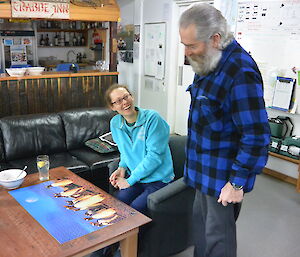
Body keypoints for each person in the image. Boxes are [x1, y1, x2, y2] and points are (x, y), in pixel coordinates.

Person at [179, 4, 270, 257]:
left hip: (222, 179)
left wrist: (236, 183)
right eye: (183, 45)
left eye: (192, 45)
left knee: (219, 242)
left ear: (215, 39)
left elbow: (257, 135)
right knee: (201, 235)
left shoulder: (240, 71)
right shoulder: (207, 59)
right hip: (201, 170)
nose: (186, 53)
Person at [105, 83, 174, 215]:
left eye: (126, 97)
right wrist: (121, 168)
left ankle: (134, 236)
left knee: (135, 209)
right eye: (118, 101)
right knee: (117, 203)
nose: (124, 102)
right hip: (137, 178)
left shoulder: (152, 119)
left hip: (158, 179)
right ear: (112, 107)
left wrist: (129, 181)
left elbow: (154, 157)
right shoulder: (115, 123)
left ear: (132, 96)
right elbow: (124, 151)